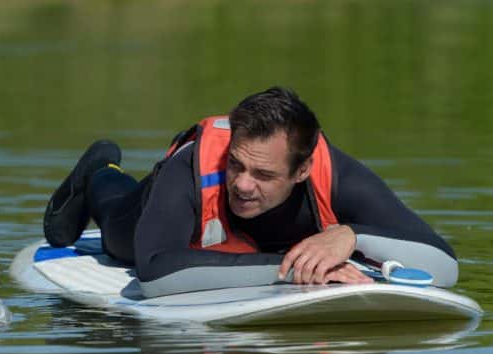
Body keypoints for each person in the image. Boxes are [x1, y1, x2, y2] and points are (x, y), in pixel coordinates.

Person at [42, 86, 459, 297]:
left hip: (254, 250)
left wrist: (351, 237)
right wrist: (296, 269)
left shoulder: (339, 178)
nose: (242, 184)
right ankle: (99, 172)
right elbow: (154, 272)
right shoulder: (191, 168)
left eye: (263, 174)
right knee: (118, 233)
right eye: (236, 164)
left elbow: (443, 263)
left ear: (301, 170)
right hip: (150, 219)